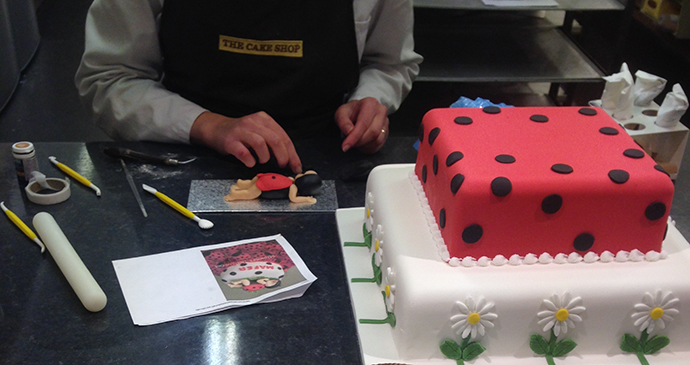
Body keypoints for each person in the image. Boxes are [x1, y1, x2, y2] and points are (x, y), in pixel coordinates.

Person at [75, 0, 422, 174]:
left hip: (325, 155)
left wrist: (369, 100)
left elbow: (389, 63)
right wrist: (209, 125)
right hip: (182, 159)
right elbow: (110, 81)